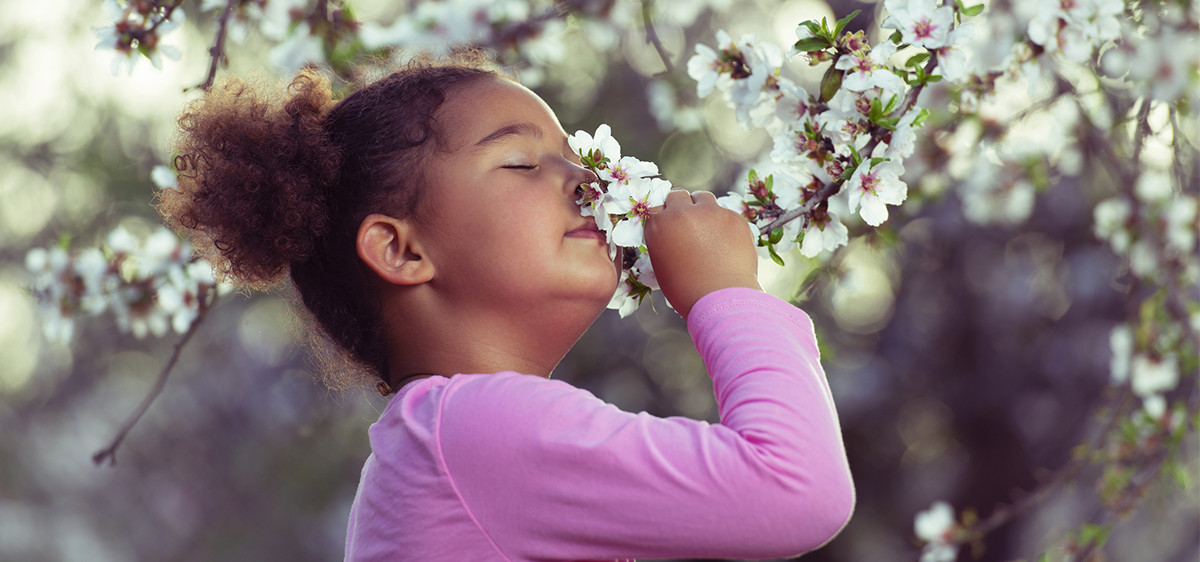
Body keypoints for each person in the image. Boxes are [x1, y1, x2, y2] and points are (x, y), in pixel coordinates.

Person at [158, 54, 855, 561]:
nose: (587, 182)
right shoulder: (473, 429)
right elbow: (798, 491)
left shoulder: (449, 440)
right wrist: (725, 292)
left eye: (576, 158)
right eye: (522, 163)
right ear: (400, 250)